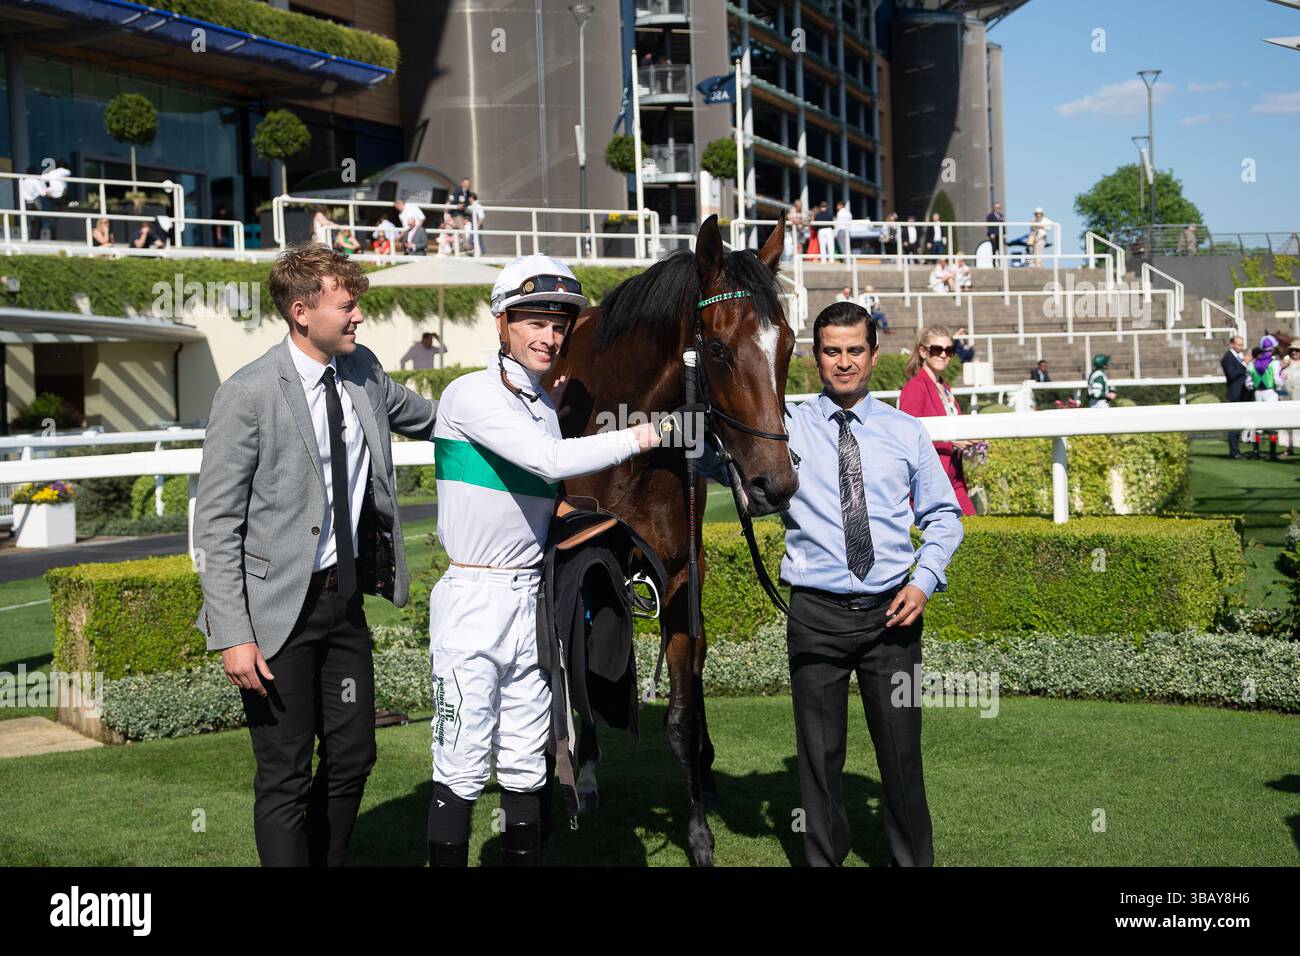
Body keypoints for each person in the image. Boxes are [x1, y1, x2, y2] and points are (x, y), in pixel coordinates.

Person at [192, 241, 440, 866]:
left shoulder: (365, 370)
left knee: (355, 755)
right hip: (275, 620)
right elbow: (216, 524)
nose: (359, 317)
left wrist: (516, 393)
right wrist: (232, 634)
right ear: (301, 311)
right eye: (347, 306)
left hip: (344, 606)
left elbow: (435, 418)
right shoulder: (246, 394)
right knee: (285, 774)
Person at [427, 254, 661, 866]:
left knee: (527, 756)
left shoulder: (538, 404)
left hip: (532, 597)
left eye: (559, 325)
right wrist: (649, 432)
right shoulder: (469, 393)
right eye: (533, 321)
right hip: (474, 599)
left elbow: (546, 488)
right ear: (501, 323)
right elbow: (550, 465)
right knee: (462, 759)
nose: (549, 337)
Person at [782, 301, 964, 867]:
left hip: (893, 616)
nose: (843, 362)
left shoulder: (906, 432)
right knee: (818, 761)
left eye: (854, 350)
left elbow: (944, 516)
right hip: (815, 614)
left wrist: (925, 579)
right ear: (815, 359)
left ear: (873, 354)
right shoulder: (782, 427)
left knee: (902, 759)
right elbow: (719, 460)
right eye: (831, 351)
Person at [898, 325, 977, 516]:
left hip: (953, 475)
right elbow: (908, 435)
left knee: (971, 524)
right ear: (923, 352)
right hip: (930, 480)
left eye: (949, 350)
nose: (944, 355)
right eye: (937, 350)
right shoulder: (915, 388)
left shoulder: (944, 388)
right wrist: (951, 442)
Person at [1249, 335, 1282, 460]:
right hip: (1270, 393)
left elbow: (1249, 384)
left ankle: (1256, 452)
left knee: (1256, 424)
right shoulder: (1274, 363)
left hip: (1258, 394)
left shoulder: (1252, 365)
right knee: (1272, 424)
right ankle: (1272, 454)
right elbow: (1277, 381)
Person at [1221, 335, 1250, 458]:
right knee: (1235, 424)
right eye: (1239, 344)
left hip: (1243, 393)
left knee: (1241, 423)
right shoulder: (1227, 358)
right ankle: (1234, 452)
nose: (1241, 347)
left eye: (1242, 345)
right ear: (1232, 344)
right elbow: (1232, 375)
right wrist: (1244, 363)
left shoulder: (1239, 357)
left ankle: (1237, 450)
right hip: (1235, 394)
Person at [1280, 345, 1299, 456]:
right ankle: (1289, 447)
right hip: (1288, 398)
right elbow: (1279, 380)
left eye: (1297, 350)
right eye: (1292, 350)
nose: (1294, 353)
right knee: (1289, 424)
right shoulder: (1286, 365)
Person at [466, 192, 486, 256]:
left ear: (471, 198)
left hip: (477, 225)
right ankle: (475, 251)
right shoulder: (473, 206)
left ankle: (482, 252)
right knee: (472, 239)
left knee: (477, 239)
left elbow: (481, 217)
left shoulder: (478, 206)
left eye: (469, 197)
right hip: (474, 225)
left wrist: (477, 226)